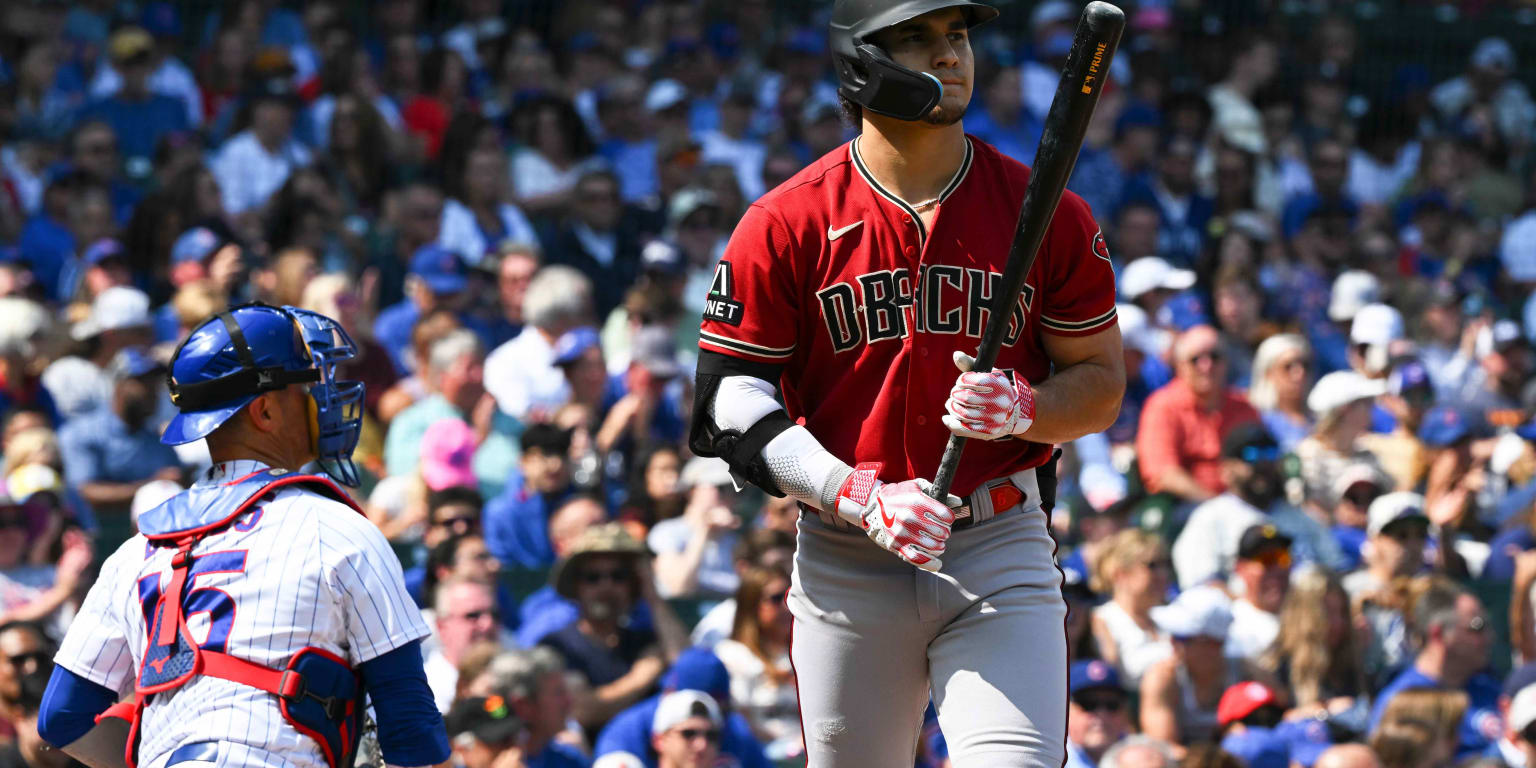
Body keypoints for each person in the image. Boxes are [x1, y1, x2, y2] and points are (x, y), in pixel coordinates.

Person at [688, 1, 1125, 765]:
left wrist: (1026, 407)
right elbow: (730, 398)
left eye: (957, 35)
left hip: (997, 543)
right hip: (846, 557)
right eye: (918, 38)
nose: (951, 55)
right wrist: (851, 492)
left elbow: (1101, 384)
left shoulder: (1045, 208)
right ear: (860, 62)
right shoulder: (786, 219)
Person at [38, 303, 449, 768]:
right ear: (266, 410)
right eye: (309, 384)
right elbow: (412, 726)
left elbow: (61, 718)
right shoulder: (334, 528)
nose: (325, 396)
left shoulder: (134, 554)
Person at [540, 523, 689, 732]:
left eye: (618, 576)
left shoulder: (644, 641)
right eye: (593, 577)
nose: (606, 586)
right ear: (576, 586)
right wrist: (641, 678)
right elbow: (581, 710)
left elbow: (689, 667)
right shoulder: (557, 646)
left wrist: (652, 596)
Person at [55, 347, 182, 549]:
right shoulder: (81, 433)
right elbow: (88, 492)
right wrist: (151, 484)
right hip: (98, 544)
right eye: (142, 383)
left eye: (155, 384)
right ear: (119, 385)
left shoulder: (155, 437)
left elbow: (176, 480)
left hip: (155, 544)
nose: (152, 392)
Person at [1369, 581, 1500, 758]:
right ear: (1438, 634)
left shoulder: (1488, 687)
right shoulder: (1402, 702)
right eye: (1477, 627)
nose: (1489, 637)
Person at [1136, 326, 1261, 505]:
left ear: (1226, 362)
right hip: (1189, 507)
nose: (1206, 366)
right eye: (1196, 359)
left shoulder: (1243, 406)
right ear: (1179, 366)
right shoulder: (1163, 406)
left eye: (1214, 357)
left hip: (1247, 501)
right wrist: (1217, 505)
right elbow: (1162, 473)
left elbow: (1264, 455)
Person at [713, 565, 798, 760]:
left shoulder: (807, 652)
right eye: (777, 598)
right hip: (762, 756)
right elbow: (741, 722)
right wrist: (791, 745)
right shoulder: (732, 655)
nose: (787, 605)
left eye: (791, 595)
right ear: (751, 606)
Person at [1140, 585, 1241, 746]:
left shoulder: (1247, 672)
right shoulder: (1162, 678)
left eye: (1181, 637)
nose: (1171, 642)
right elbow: (1164, 748)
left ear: (1214, 644)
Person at [1089, 529, 1172, 689]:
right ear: (1120, 574)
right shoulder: (1102, 621)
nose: (1164, 574)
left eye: (1165, 565)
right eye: (1152, 565)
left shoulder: (1169, 618)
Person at [485, 647, 586, 768]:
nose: (569, 701)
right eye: (558, 693)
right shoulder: (474, 760)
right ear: (523, 705)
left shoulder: (570, 760)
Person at [425, 578, 501, 712]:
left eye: (494, 614)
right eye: (473, 615)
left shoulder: (514, 683)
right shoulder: (425, 691)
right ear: (441, 627)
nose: (488, 623)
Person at [1066, 660, 1133, 768]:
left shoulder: (1142, 758)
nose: (1102, 714)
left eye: (1112, 704)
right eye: (1088, 704)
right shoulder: (1050, 758)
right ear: (1066, 710)